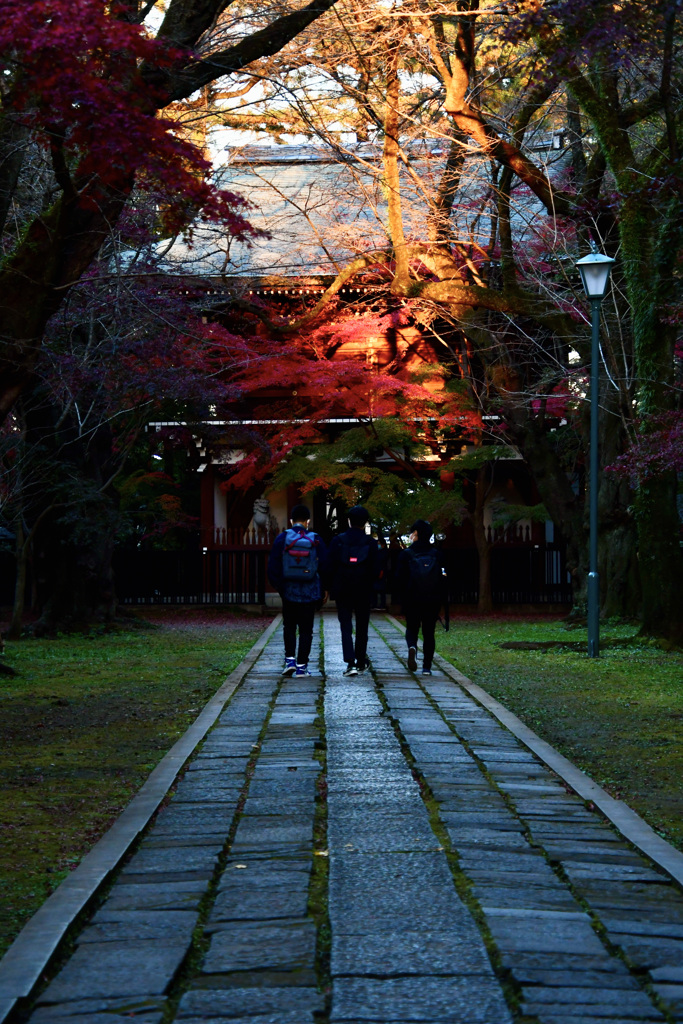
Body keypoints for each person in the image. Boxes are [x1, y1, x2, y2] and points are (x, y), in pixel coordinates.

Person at [268, 504, 328, 677]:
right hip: (310, 591)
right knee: (306, 629)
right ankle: (302, 666)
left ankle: (289, 660)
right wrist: (324, 588)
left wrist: (280, 586)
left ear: (291, 520)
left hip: (289, 590)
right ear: (307, 521)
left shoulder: (282, 538)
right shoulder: (315, 539)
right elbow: (325, 565)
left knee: (289, 626)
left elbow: (273, 566)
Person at [328, 505, 379, 676]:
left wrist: (329, 587)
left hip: (343, 587)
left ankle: (350, 662)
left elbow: (331, 566)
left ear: (349, 520)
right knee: (362, 625)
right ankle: (360, 660)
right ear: (365, 522)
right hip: (363, 588)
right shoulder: (370, 543)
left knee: (345, 625)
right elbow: (376, 568)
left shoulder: (338, 541)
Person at [396, 519, 447, 676]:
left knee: (412, 627)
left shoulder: (406, 554)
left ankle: (412, 647)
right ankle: (427, 668)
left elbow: (399, 578)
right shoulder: (437, 554)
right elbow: (444, 578)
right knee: (429, 632)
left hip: (412, 598)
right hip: (432, 599)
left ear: (416, 534)